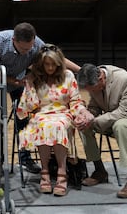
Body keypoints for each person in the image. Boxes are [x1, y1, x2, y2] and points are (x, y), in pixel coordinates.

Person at [0, 22, 80, 174]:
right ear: (13, 40)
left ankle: (25, 158)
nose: (27, 52)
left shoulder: (36, 43)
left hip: (21, 81)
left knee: (24, 118)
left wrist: (80, 70)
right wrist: (14, 81)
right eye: (23, 49)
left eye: (29, 48)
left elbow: (57, 57)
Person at [16, 44, 88, 196]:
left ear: (59, 63)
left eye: (53, 64)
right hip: (41, 114)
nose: (50, 68)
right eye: (46, 64)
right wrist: (29, 85)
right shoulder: (35, 78)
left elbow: (75, 100)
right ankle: (45, 170)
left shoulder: (68, 76)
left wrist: (81, 111)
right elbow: (29, 107)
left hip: (63, 113)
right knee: (43, 124)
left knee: (59, 125)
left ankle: (62, 170)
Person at [75, 63, 127, 198]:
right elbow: (94, 107)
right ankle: (99, 170)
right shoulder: (94, 84)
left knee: (121, 125)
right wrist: (87, 116)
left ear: (101, 78)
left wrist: (94, 121)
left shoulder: (124, 79)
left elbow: (125, 111)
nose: (91, 92)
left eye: (92, 89)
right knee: (84, 126)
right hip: (113, 119)